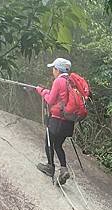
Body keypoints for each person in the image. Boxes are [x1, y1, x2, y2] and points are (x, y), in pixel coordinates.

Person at [34, 57, 75, 185]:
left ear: (57, 70)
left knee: (49, 142)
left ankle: (50, 167)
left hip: (57, 120)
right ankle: (63, 169)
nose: (53, 71)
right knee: (58, 145)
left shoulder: (58, 81)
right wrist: (48, 92)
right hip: (69, 122)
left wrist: (41, 91)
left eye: (54, 68)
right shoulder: (71, 81)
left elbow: (50, 100)